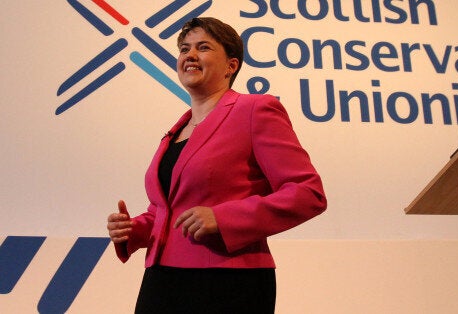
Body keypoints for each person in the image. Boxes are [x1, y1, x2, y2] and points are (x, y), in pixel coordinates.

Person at [106, 17, 327, 313]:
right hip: (161, 282)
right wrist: (134, 229)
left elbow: (307, 193)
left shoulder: (255, 110)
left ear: (231, 66)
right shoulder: (176, 130)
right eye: (184, 48)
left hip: (228, 281)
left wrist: (223, 218)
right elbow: (166, 210)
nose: (190, 55)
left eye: (203, 47)